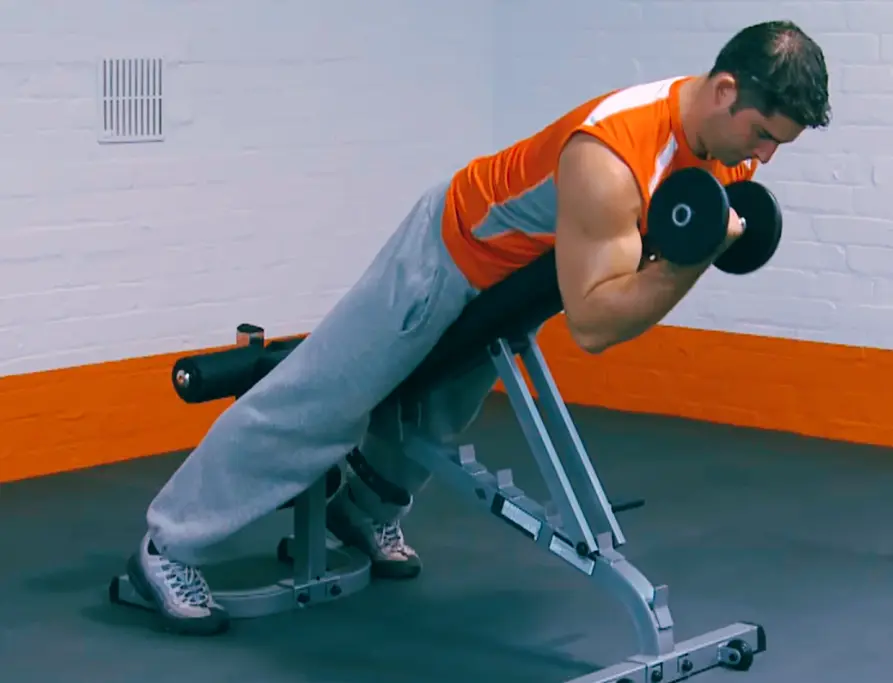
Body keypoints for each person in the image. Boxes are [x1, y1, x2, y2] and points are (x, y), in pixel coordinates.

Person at [125, 19, 832, 635]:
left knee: (437, 413)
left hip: (511, 282)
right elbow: (592, 322)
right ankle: (168, 547)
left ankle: (362, 512)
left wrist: (699, 244)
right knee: (321, 399)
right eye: (762, 136)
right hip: (445, 255)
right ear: (725, 91)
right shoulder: (611, 157)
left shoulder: (721, 147)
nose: (760, 160)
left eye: (778, 147)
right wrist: (694, 259)